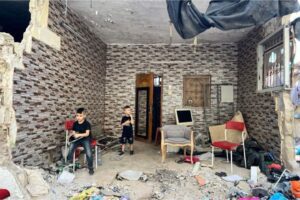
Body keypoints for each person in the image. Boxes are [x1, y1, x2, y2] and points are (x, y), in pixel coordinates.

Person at [67, 108, 94, 175]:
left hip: (86, 139)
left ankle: (90, 168)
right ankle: (69, 165)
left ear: (84, 116)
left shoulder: (87, 124)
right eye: (77, 115)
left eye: (80, 116)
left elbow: (87, 134)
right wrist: (70, 136)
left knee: (89, 152)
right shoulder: (75, 123)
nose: (78, 117)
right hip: (78, 139)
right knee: (71, 147)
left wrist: (78, 134)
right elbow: (74, 132)